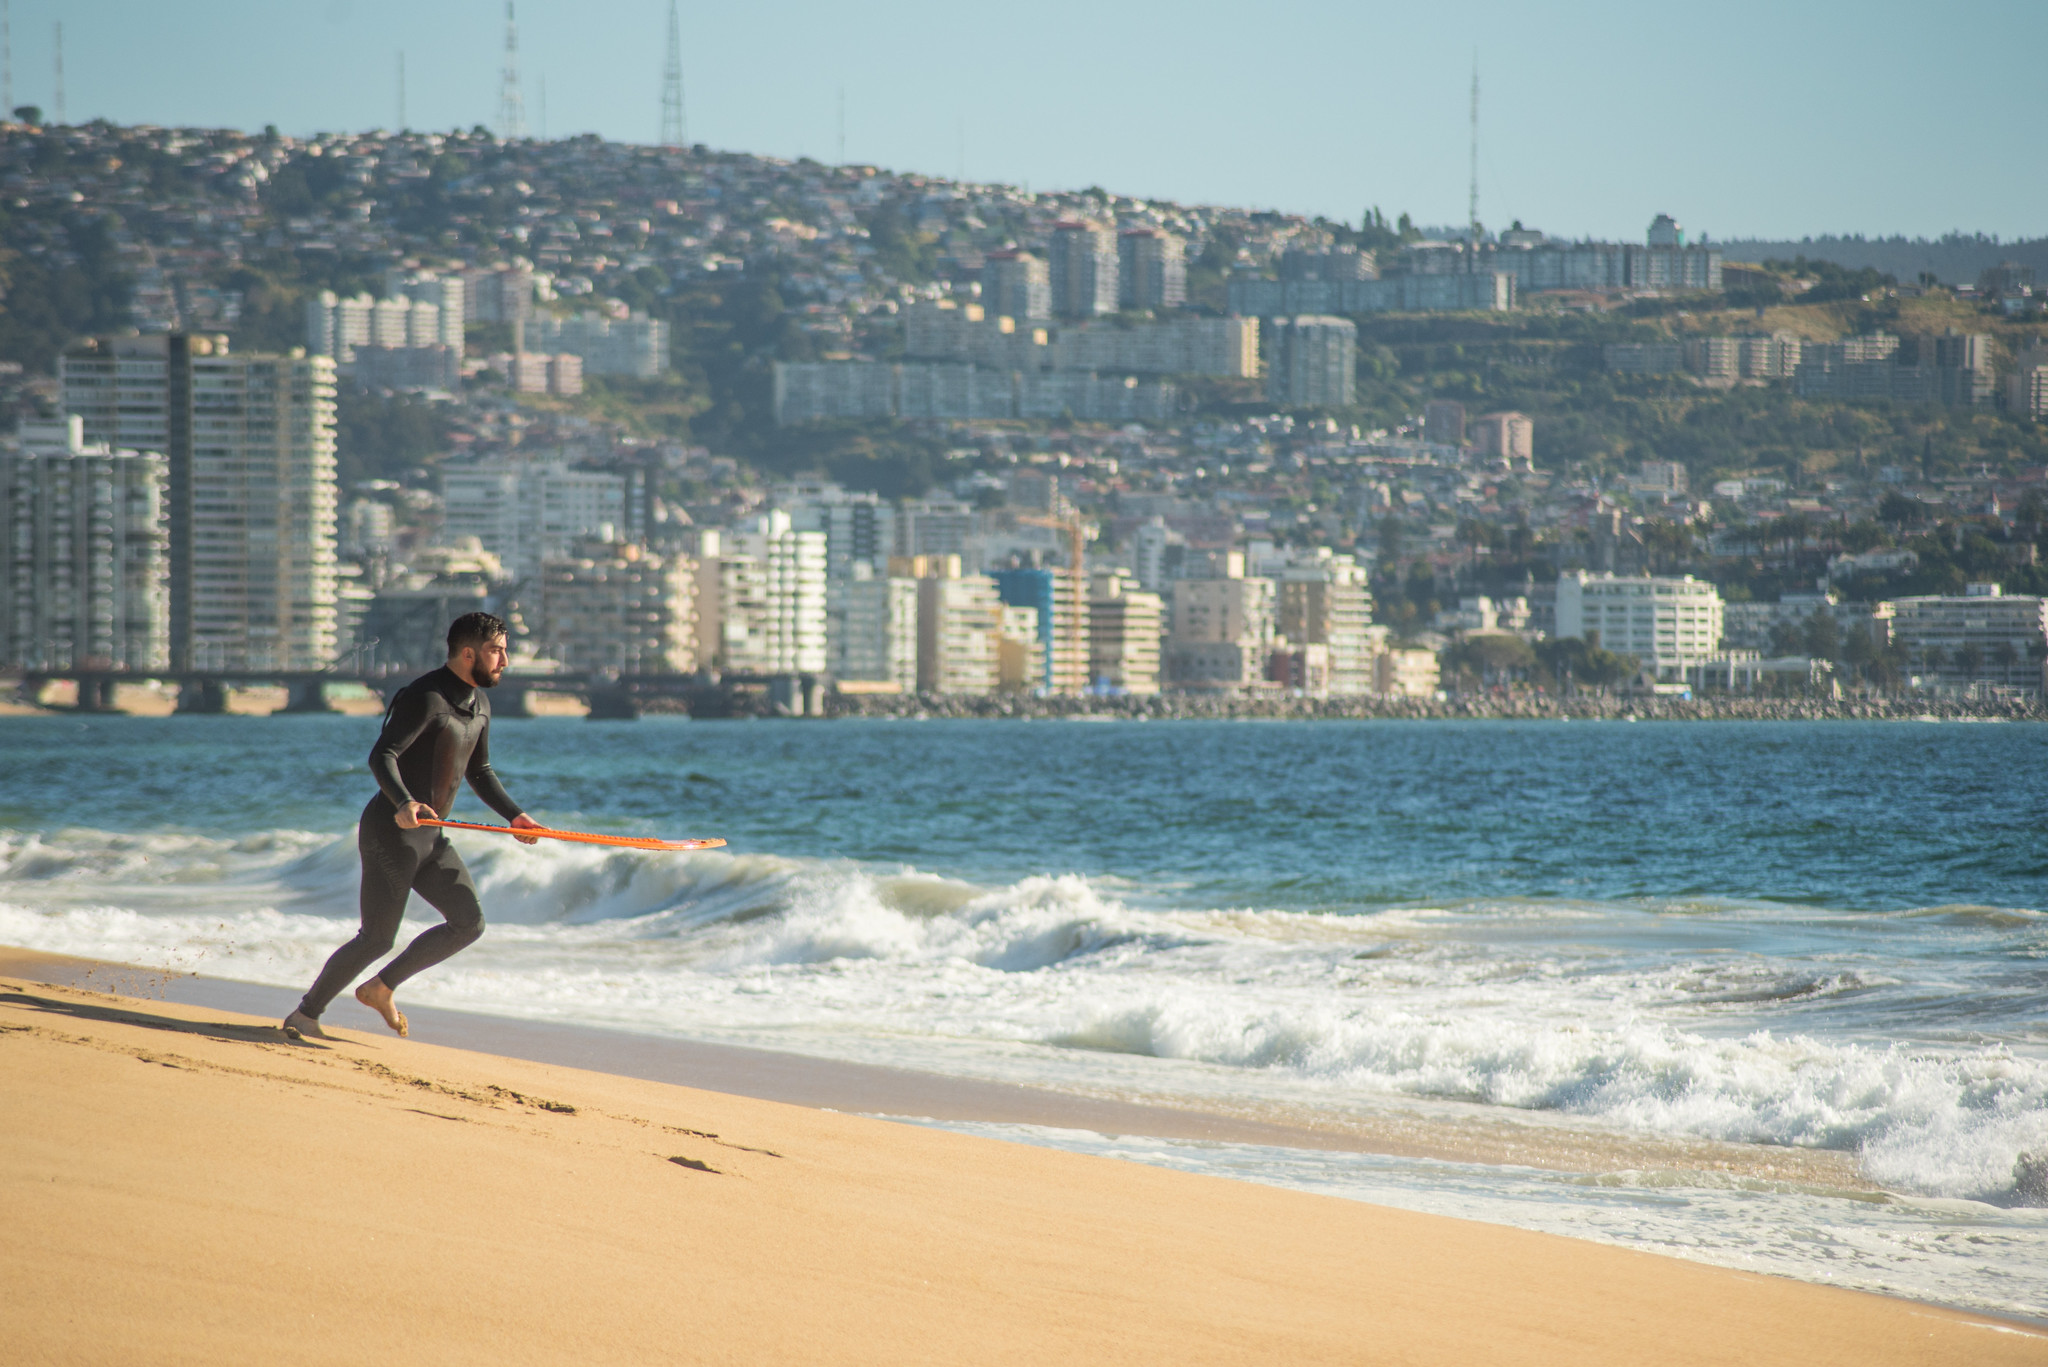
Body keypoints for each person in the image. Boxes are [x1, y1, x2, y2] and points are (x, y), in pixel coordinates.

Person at [284, 612, 540, 1041]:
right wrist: (402, 802)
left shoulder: (480, 705)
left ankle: (380, 988)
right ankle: (305, 1015)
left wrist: (514, 815)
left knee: (468, 922)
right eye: (496, 651)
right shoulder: (426, 697)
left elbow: (480, 771)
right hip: (390, 829)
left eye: (504, 651)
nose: (505, 661)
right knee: (377, 938)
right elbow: (382, 755)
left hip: (430, 836)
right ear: (467, 653)